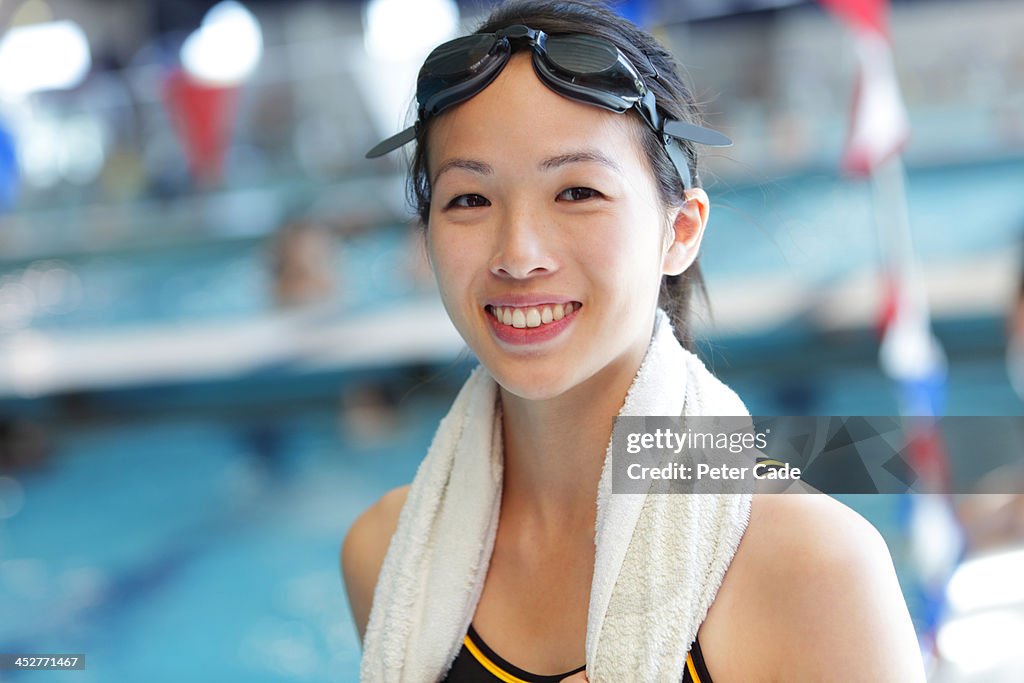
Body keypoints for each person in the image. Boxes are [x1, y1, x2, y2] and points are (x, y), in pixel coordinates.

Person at [342, 2, 924, 681]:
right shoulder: (386, 553)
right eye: (469, 199)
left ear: (680, 230)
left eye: (578, 191)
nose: (518, 254)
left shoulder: (811, 562)